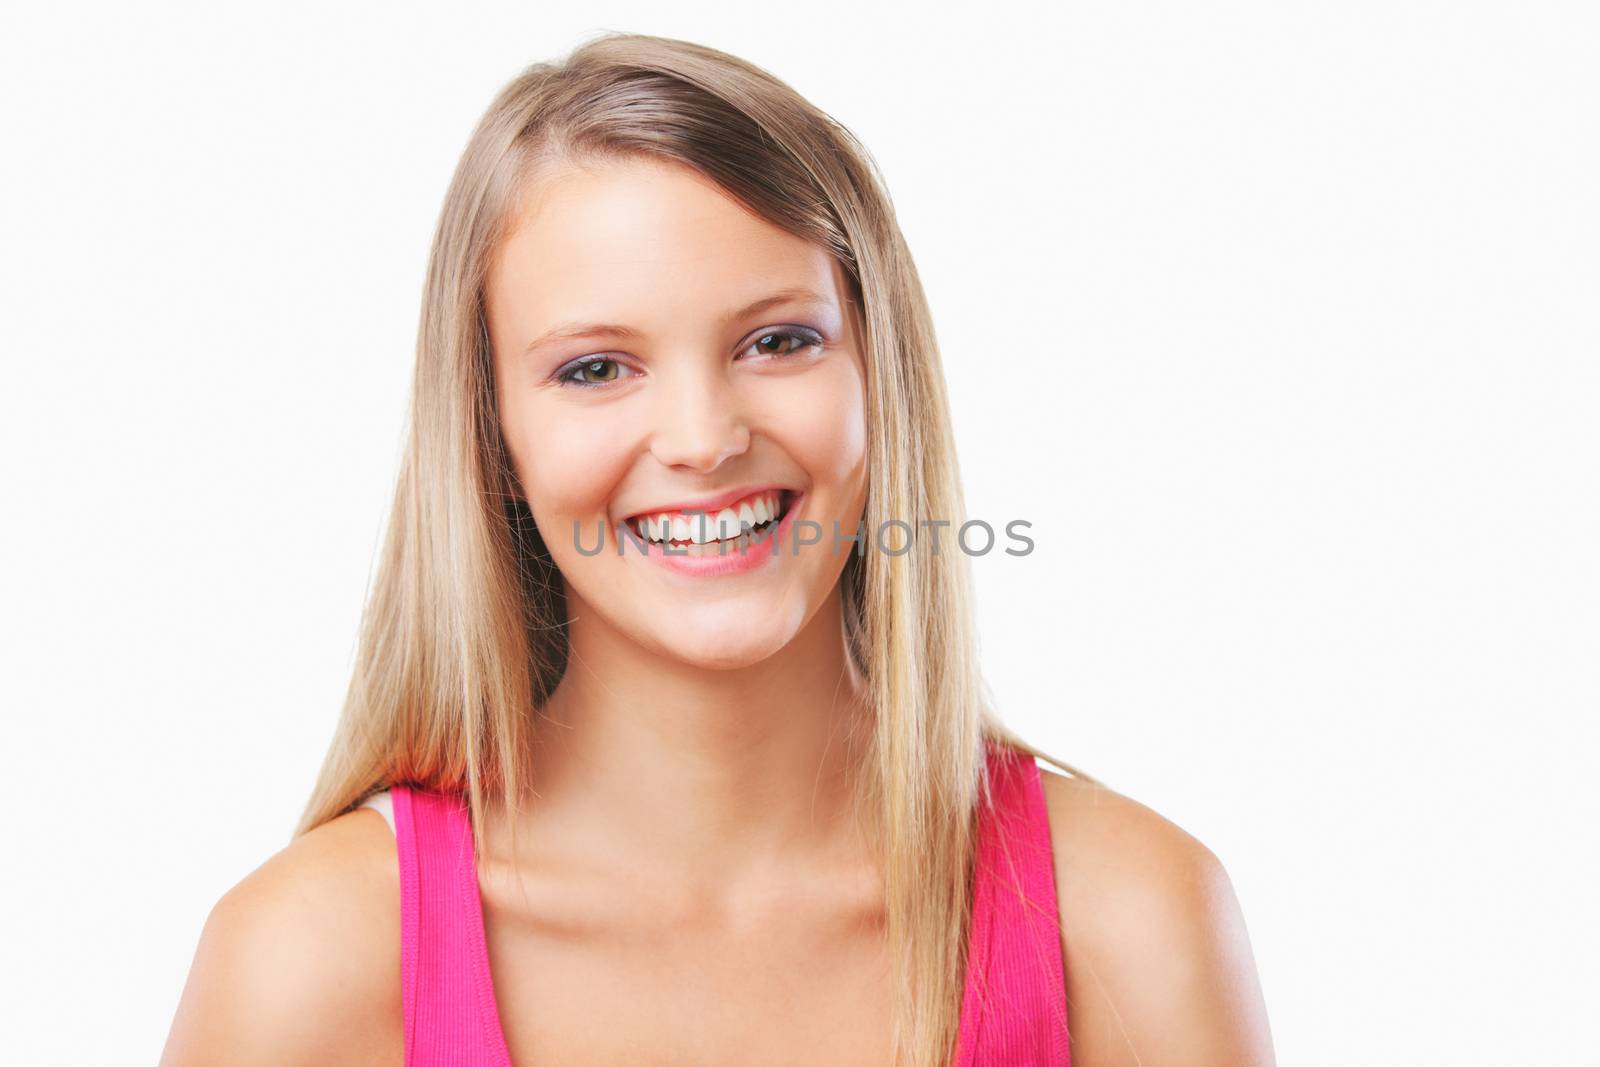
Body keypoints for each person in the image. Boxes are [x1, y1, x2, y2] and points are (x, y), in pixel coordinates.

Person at [161, 32, 1274, 1067]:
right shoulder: (305, 962)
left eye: (777, 341)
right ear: (490, 431)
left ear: (879, 379)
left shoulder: (1129, 921)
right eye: (595, 367)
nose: (703, 440)